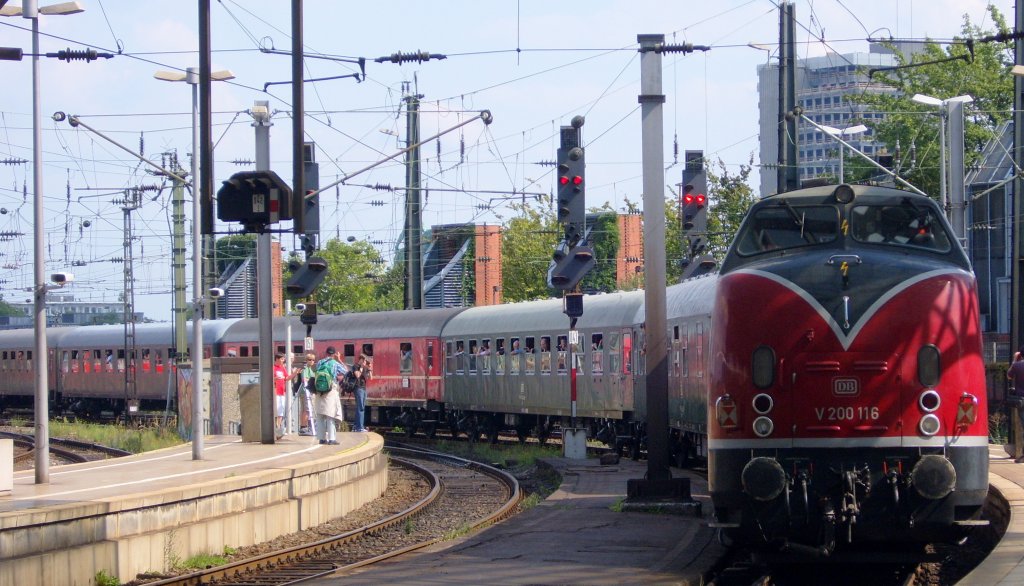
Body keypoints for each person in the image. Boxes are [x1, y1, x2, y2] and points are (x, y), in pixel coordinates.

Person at [314, 346, 347, 445]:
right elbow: (346, 371)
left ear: (326, 353)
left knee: (320, 415)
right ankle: (332, 439)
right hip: (330, 391)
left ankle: (321, 438)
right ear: (334, 354)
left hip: (319, 391)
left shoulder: (320, 362)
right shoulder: (335, 363)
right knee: (330, 415)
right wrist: (339, 359)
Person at [292, 353, 317, 436]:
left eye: (313, 360)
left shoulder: (310, 369)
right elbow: (304, 379)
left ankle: (304, 426)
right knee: (307, 410)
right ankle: (303, 427)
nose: (312, 361)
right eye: (310, 359)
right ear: (306, 360)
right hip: (306, 392)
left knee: (305, 409)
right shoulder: (306, 369)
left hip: (306, 392)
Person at [349, 354, 373, 432]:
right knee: (361, 407)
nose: (365, 362)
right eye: (365, 360)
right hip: (358, 388)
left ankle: (356, 426)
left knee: (360, 407)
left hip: (363, 388)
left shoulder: (364, 368)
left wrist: (369, 369)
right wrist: (361, 367)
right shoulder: (355, 366)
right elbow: (357, 375)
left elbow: (370, 378)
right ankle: (359, 427)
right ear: (361, 360)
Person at [273, 353, 288, 438]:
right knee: (277, 411)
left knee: (281, 411)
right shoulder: (273, 368)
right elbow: (269, 378)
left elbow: (287, 378)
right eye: (282, 359)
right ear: (277, 359)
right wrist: (275, 379)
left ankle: (278, 428)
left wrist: (295, 373)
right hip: (276, 391)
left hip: (282, 391)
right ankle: (277, 428)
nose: (283, 361)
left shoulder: (283, 368)